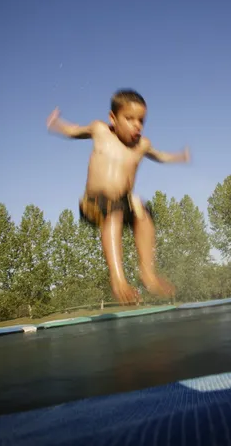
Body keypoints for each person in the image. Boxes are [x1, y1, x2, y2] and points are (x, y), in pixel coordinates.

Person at [46, 89, 190, 305]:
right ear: (113, 118)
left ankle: (148, 273)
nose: (136, 125)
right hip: (92, 204)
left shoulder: (142, 145)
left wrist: (179, 156)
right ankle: (118, 278)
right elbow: (74, 131)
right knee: (114, 210)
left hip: (121, 204)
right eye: (129, 119)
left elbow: (160, 156)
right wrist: (56, 124)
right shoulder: (100, 131)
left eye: (141, 120)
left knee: (141, 210)